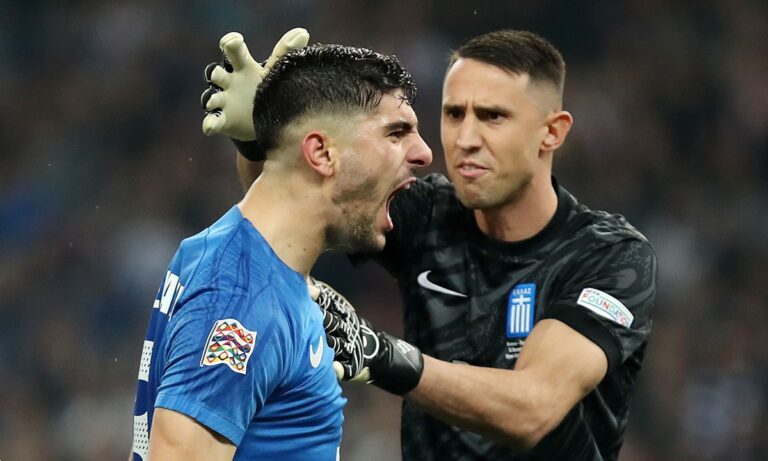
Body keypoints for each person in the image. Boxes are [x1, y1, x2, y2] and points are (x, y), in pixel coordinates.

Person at [204, 29, 657, 461]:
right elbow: (299, 201)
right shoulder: (430, 213)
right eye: (454, 114)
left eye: (493, 116)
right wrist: (263, 138)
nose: (466, 139)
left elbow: (532, 409)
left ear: (552, 131)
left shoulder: (610, 257)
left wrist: (380, 354)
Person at [131, 30, 432, 461]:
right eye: (396, 133)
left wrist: (263, 140)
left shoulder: (242, 260)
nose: (423, 153)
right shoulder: (243, 298)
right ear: (321, 153)